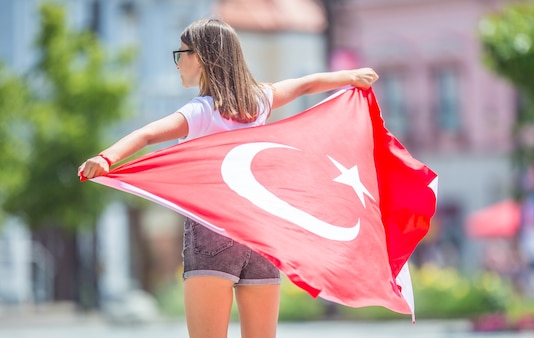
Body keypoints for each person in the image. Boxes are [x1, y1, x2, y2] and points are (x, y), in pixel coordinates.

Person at [78, 18, 378, 338]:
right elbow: (304, 84)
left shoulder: (202, 111)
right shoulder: (259, 101)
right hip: (260, 233)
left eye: (182, 54)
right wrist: (350, 77)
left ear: (202, 58)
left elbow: (148, 134)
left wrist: (106, 157)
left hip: (213, 233)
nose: (178, 63)